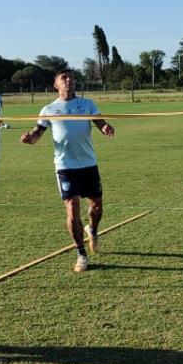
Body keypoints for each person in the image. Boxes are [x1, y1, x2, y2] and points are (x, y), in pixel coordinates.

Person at [20, 69, 114, 272]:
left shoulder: (87, 104)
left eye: (71, 77)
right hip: (65, 166)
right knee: (72, 208)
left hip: (88, 163)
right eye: (64, 78)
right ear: (56, 84)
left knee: (96, 206)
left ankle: (93, 230)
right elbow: (38, 133)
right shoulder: (48, 109)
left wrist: (106, 128)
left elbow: (100, 122)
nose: (69, 80)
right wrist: (30, 140)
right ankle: (81, 254)